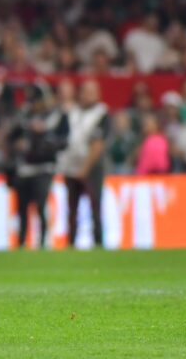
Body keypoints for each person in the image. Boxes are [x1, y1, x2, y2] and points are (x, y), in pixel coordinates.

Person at [7, 82, 68, 248]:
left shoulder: (56, 117)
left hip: (44, 167)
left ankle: (42, 241)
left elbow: (63, 142)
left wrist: (46, 137)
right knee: (22, 208)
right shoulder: (23, 117)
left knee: (41, 205)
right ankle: (21, 241)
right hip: (25, 168)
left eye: (36, 100)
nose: (33, 104)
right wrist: (17, 144)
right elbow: (11, 138)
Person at [59, 80, 109, 248]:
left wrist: (85, 169)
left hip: (91, 168)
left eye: (91, 92)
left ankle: (98, 243)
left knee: (95, 207)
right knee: (71, 209)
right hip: (71, 167)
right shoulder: (72, 112)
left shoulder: (101, 113)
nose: (88, 95)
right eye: (85, 91)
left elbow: (98, 144)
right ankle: (71, 243)